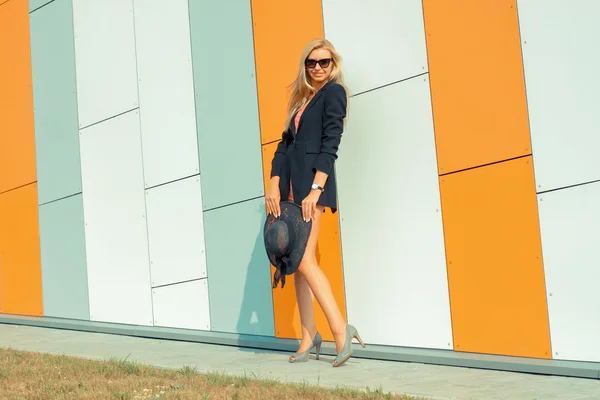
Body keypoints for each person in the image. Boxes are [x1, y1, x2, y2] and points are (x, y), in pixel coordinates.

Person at [265, 38, 365, 367]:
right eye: (311, 62)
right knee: (293, 263)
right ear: (305, 66)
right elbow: (284, 145)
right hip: (290, 188)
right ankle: (309, 335)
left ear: (332, 65)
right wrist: (275, 181)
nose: (318, 68)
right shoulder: (303, 100)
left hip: (312, 187)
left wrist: (315, 189)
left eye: (324, 62)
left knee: (305, 260)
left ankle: (339, 329)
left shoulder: (333, 93)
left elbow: (330, 142)